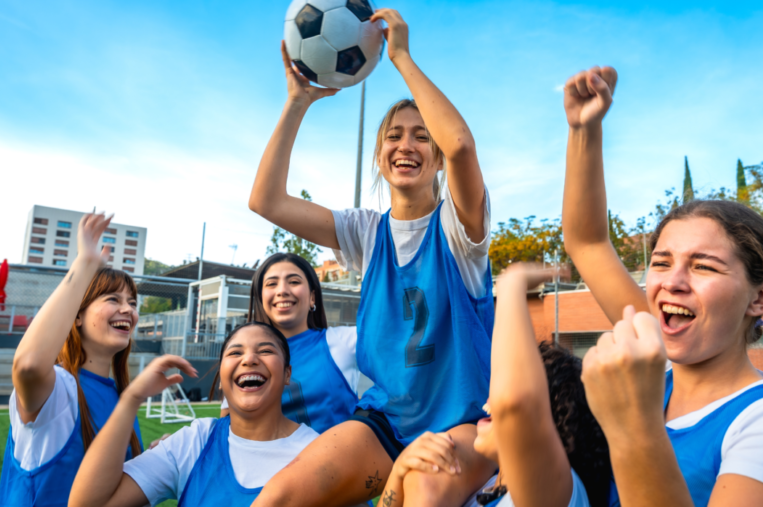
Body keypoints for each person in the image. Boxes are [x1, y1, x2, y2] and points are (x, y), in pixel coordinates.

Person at [248, 8, 496, 506]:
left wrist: (401, 57)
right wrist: (298, 102)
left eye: (422, 135)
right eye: (394, 135)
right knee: (279, 497)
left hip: (462, 423)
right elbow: (266, 201)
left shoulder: (460, 228)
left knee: (424, 495)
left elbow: (464, 147)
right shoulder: (365, 231)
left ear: (436, 156)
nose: (407, 144)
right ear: (380, 156)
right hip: (384, 420)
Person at [560, 66, 763, 507]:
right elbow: (587, 242)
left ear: (760, 297)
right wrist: (583, 129)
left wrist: (632, 427)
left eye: (703, 267)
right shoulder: (660, 376)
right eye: (661, 262)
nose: (672, 281)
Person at [377, 265, 612, 507]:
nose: (492, 399)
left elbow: (515, 400)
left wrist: (513, 283)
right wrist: (398, 472)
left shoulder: (559, 492)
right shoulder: (483, 489)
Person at [68, 322, 320, 507]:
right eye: (235, 353)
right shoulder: (194, 441)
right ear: (221, 379)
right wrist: (132, 399)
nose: (249, 359)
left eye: (265, 351)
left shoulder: (318, 452)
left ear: (287, 374)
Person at [0, 212, 144, 506]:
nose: (128, 309)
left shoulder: (120, 395)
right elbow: (27, 365)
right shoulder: (59, 387)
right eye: (113, 299)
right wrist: (85, 263)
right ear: (76, 316)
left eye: (132, 302)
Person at [215, 252, 359, 433]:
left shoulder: (345, 341)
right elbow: (226, 433)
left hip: (339, 460)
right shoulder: (244, 359)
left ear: (312, 297)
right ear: (260, 298)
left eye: (294, 282)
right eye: (271, 284)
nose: (282, 290)